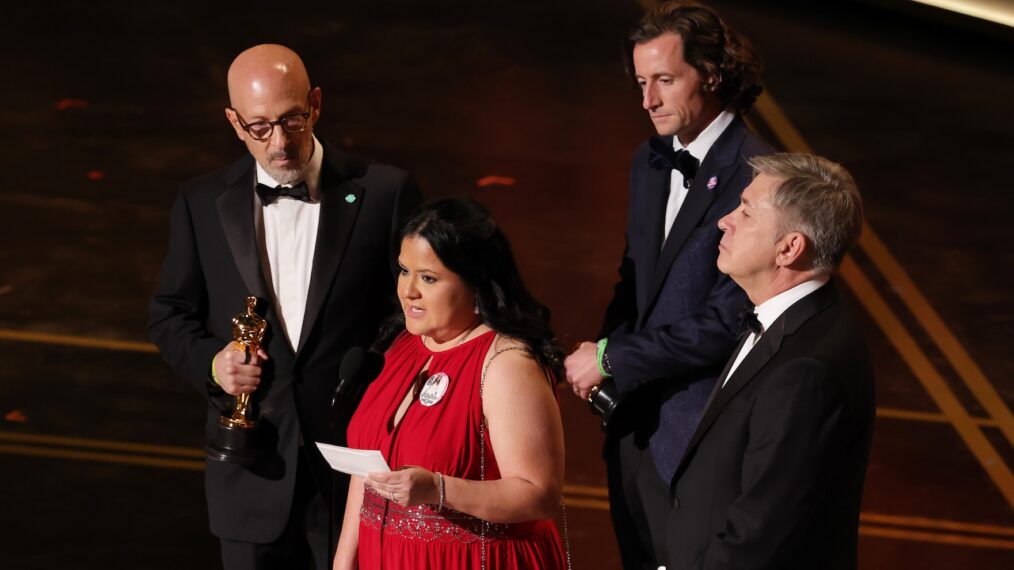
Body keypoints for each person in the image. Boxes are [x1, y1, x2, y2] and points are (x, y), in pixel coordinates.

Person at [148, 44, 422, 569]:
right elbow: (169, 313)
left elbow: (415, 316)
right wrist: (213, 362)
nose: (279, 143)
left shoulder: (385, 193)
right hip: (250, 472)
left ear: (316, 103)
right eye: (259, 127)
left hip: (355, 470)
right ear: (233, 122)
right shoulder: (200, 202)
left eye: (292, 120)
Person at [563, 2, 772, 567]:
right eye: (640, 82)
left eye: (663, 80)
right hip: (632, 426)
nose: (647, 101)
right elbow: (635, 280)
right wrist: (607, 360)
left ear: (711, 73)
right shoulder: (649, 159)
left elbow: (730, 322)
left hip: (695, 438)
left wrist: (611, 355)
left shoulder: (760, 177)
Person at [333, 197, 567, 569]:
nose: (408, 290)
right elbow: (367, 475)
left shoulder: (506, 364)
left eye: (428, 278)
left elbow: (539, 494)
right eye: (404, 271)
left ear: (476, 285)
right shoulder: (401, 344)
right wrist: (344, 561)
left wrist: (438, 489)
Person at [666, 152, 875, 568]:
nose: (725, 220)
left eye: (745, 212)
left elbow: (760, 538)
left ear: (789, 248)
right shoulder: (792, 318)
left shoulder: (805, 373)